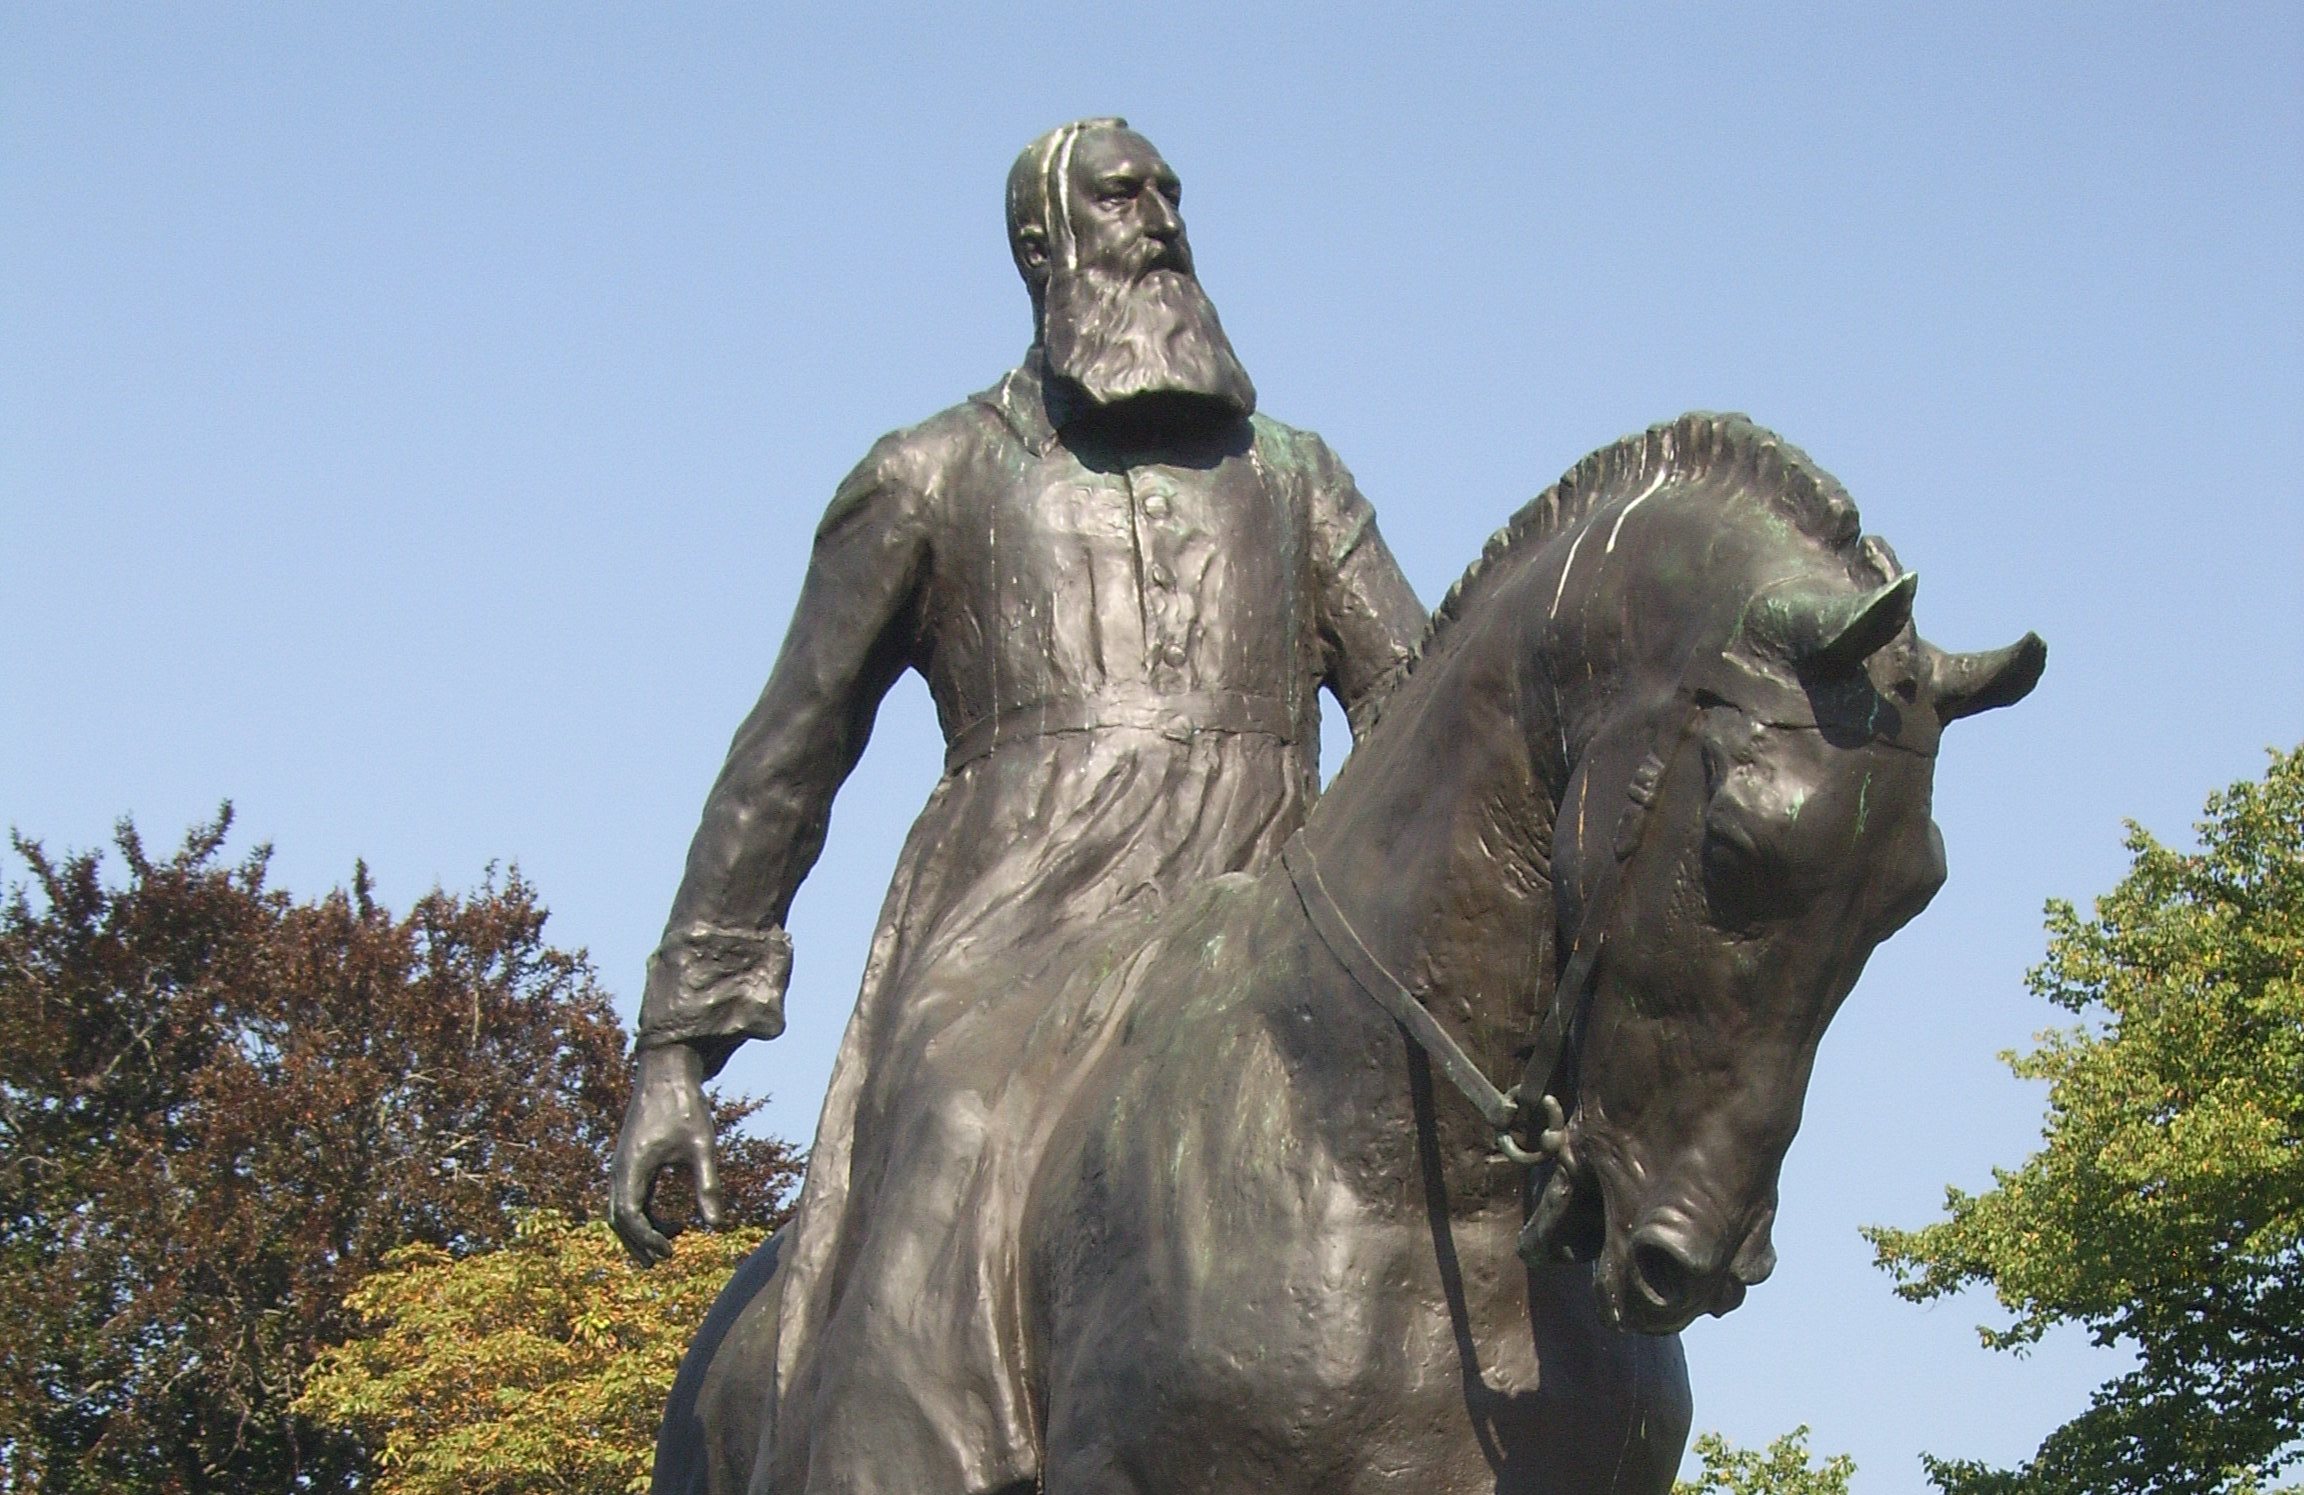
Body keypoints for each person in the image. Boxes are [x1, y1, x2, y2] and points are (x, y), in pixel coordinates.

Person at [612, 117, 1426, 1495]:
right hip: (1020, 940)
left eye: (1170, 193)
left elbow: (1411, 704)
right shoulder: (928, 475)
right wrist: (674, 1050)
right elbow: (789, 755)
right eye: (1120, 196)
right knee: (961, 1126)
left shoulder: (1296, 477)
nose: (1159, 219)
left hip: (1253, 926)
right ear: (1043, 248)